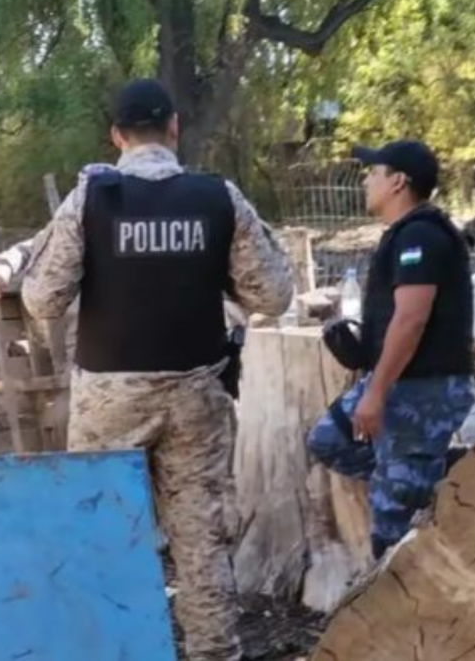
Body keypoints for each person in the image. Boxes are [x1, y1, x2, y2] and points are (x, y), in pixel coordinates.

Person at [20, 79, 294, 661]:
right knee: (202, 542)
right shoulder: (219, 197)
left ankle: (106, 649)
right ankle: (214, 652)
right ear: (174, 128)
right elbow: (274, 295)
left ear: (116, 136)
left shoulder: (91, 199)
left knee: (99, 534)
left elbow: (42, 299)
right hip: (197, 394)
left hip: (109, 397)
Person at [307, 140, 475, 559]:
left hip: (423, 391)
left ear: (398, 182)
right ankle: (429, 474)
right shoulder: (407, 233)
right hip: (401, 385)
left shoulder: (421, 235)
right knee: (329, 439)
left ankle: (421, 478)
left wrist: (376, 392)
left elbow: (411, 319)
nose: (366, 181)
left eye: (374, 173)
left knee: (392, 531)